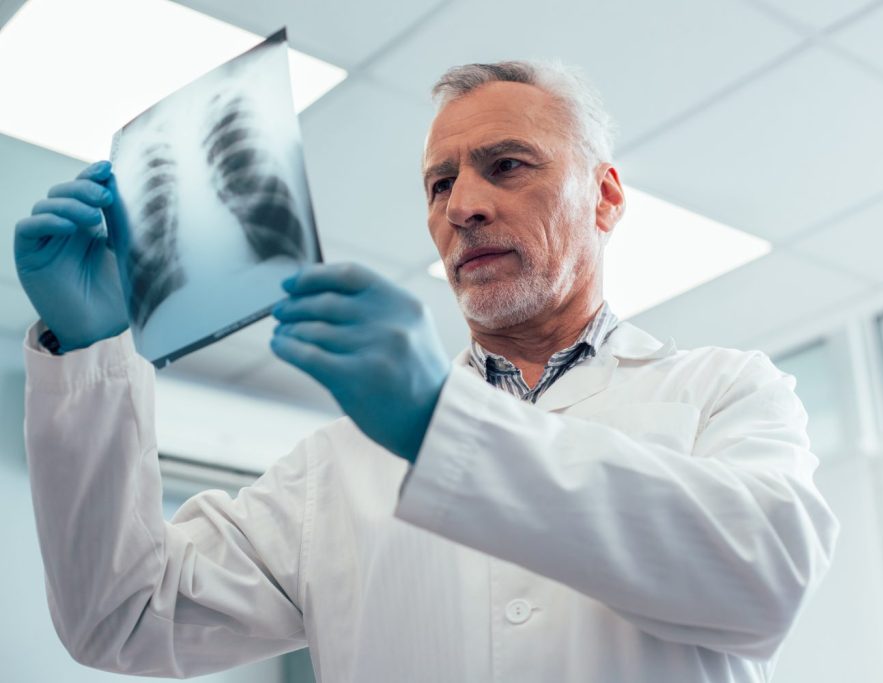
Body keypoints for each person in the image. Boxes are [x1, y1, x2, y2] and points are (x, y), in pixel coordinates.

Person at [14, 61, 839, 682]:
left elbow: (765, 577)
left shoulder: (723, 391)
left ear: (606, 197)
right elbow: (122, 614)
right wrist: (91, 346)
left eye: (507, 165)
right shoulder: (335, 469)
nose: (462, 205)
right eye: (440, 182)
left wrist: (438, 423)